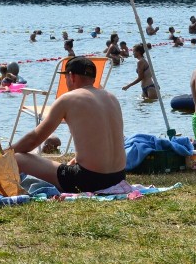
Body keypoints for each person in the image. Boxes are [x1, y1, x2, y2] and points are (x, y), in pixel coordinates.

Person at [11, 57, 126, 193]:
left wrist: (6, 154)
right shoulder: (111, 98)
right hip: (119, 177)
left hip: (89, 181)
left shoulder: (68, 99)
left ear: (71, 76)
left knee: (18, 159)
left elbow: (33, 139)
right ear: (93, 78)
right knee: (71, 164)